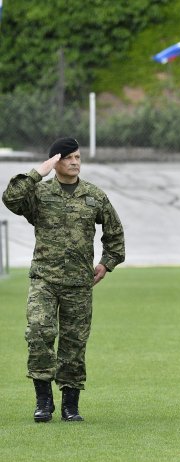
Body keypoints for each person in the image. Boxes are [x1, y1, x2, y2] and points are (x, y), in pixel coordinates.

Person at [2, 138, 125, 423]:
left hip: (79, 283)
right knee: (39, 333)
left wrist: (107, 264)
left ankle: (71, 404)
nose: (74, 162)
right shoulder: (40, 193)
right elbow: (11, 199)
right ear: (55, 162)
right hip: (44, 279)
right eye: (68, 157)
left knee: (74, 343)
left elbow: (115, 233)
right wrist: (37, 172)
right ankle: (43, 401)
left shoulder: (93, 195)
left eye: (77, 157)